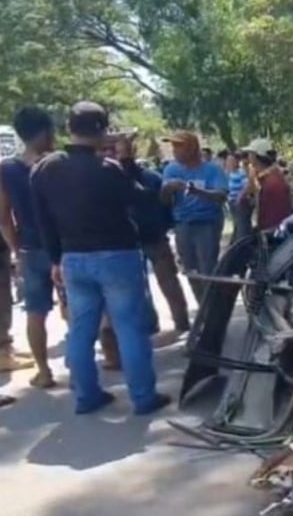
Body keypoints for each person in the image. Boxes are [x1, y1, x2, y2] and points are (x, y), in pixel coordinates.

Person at [30, 101, 169, 415]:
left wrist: (55, 259)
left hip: (73, 258)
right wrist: (129, 160)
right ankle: (143, 397)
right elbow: (142, 198)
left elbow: (43, 221)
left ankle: (86, 396)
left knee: (81, 330)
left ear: (69, 128)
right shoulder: (109, 169)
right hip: (117, 255)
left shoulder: (45, 168)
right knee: (129, 327)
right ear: (103, 131)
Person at [0, 108, 53, 400]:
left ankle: (44, 371)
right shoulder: (54, 164)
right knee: (73, 308)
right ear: (45, 132)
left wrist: (15, 250)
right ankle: (80, 368)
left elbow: (4, 217)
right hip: (60, 246)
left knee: (35, 311)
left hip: (29, 248)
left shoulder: (6, 169)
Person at [115, 134, 190, 332]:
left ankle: (178, 322)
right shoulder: (147, 178)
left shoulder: (147, 178)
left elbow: (165, 206)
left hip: (149, 237)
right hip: (138, 239)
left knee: (164, 283)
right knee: (148, 286)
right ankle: (165, 323)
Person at [161, 130, 228, 304]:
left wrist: (196, 191)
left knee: (207, 268)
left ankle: (213, 306)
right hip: (182, 224)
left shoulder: (212, 169)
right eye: (173, 146)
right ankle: (202, 307)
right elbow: (165, 202)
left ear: (192, 148)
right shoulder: (171, 169)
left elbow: (221, 195)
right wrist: (167, 190)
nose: (174, 150)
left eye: (179, 146)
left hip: (207, 223)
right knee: (190, 269)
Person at [249, 147, 293, 231]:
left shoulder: (272, 181)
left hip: (274, 228)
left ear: (256, 158)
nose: (248, 157)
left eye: (250, 154)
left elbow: (277, 212)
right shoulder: (265, 178)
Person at [226, 151, 252, 242]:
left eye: (231, 160)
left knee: (242, 226)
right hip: (231, 202)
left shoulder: (241, 173)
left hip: (240, 203)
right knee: (237, 224)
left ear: (236, 161)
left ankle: (243, 243)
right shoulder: (228, 174)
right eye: (228, 160)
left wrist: (240, 196)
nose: (229, 163)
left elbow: (247, 185)